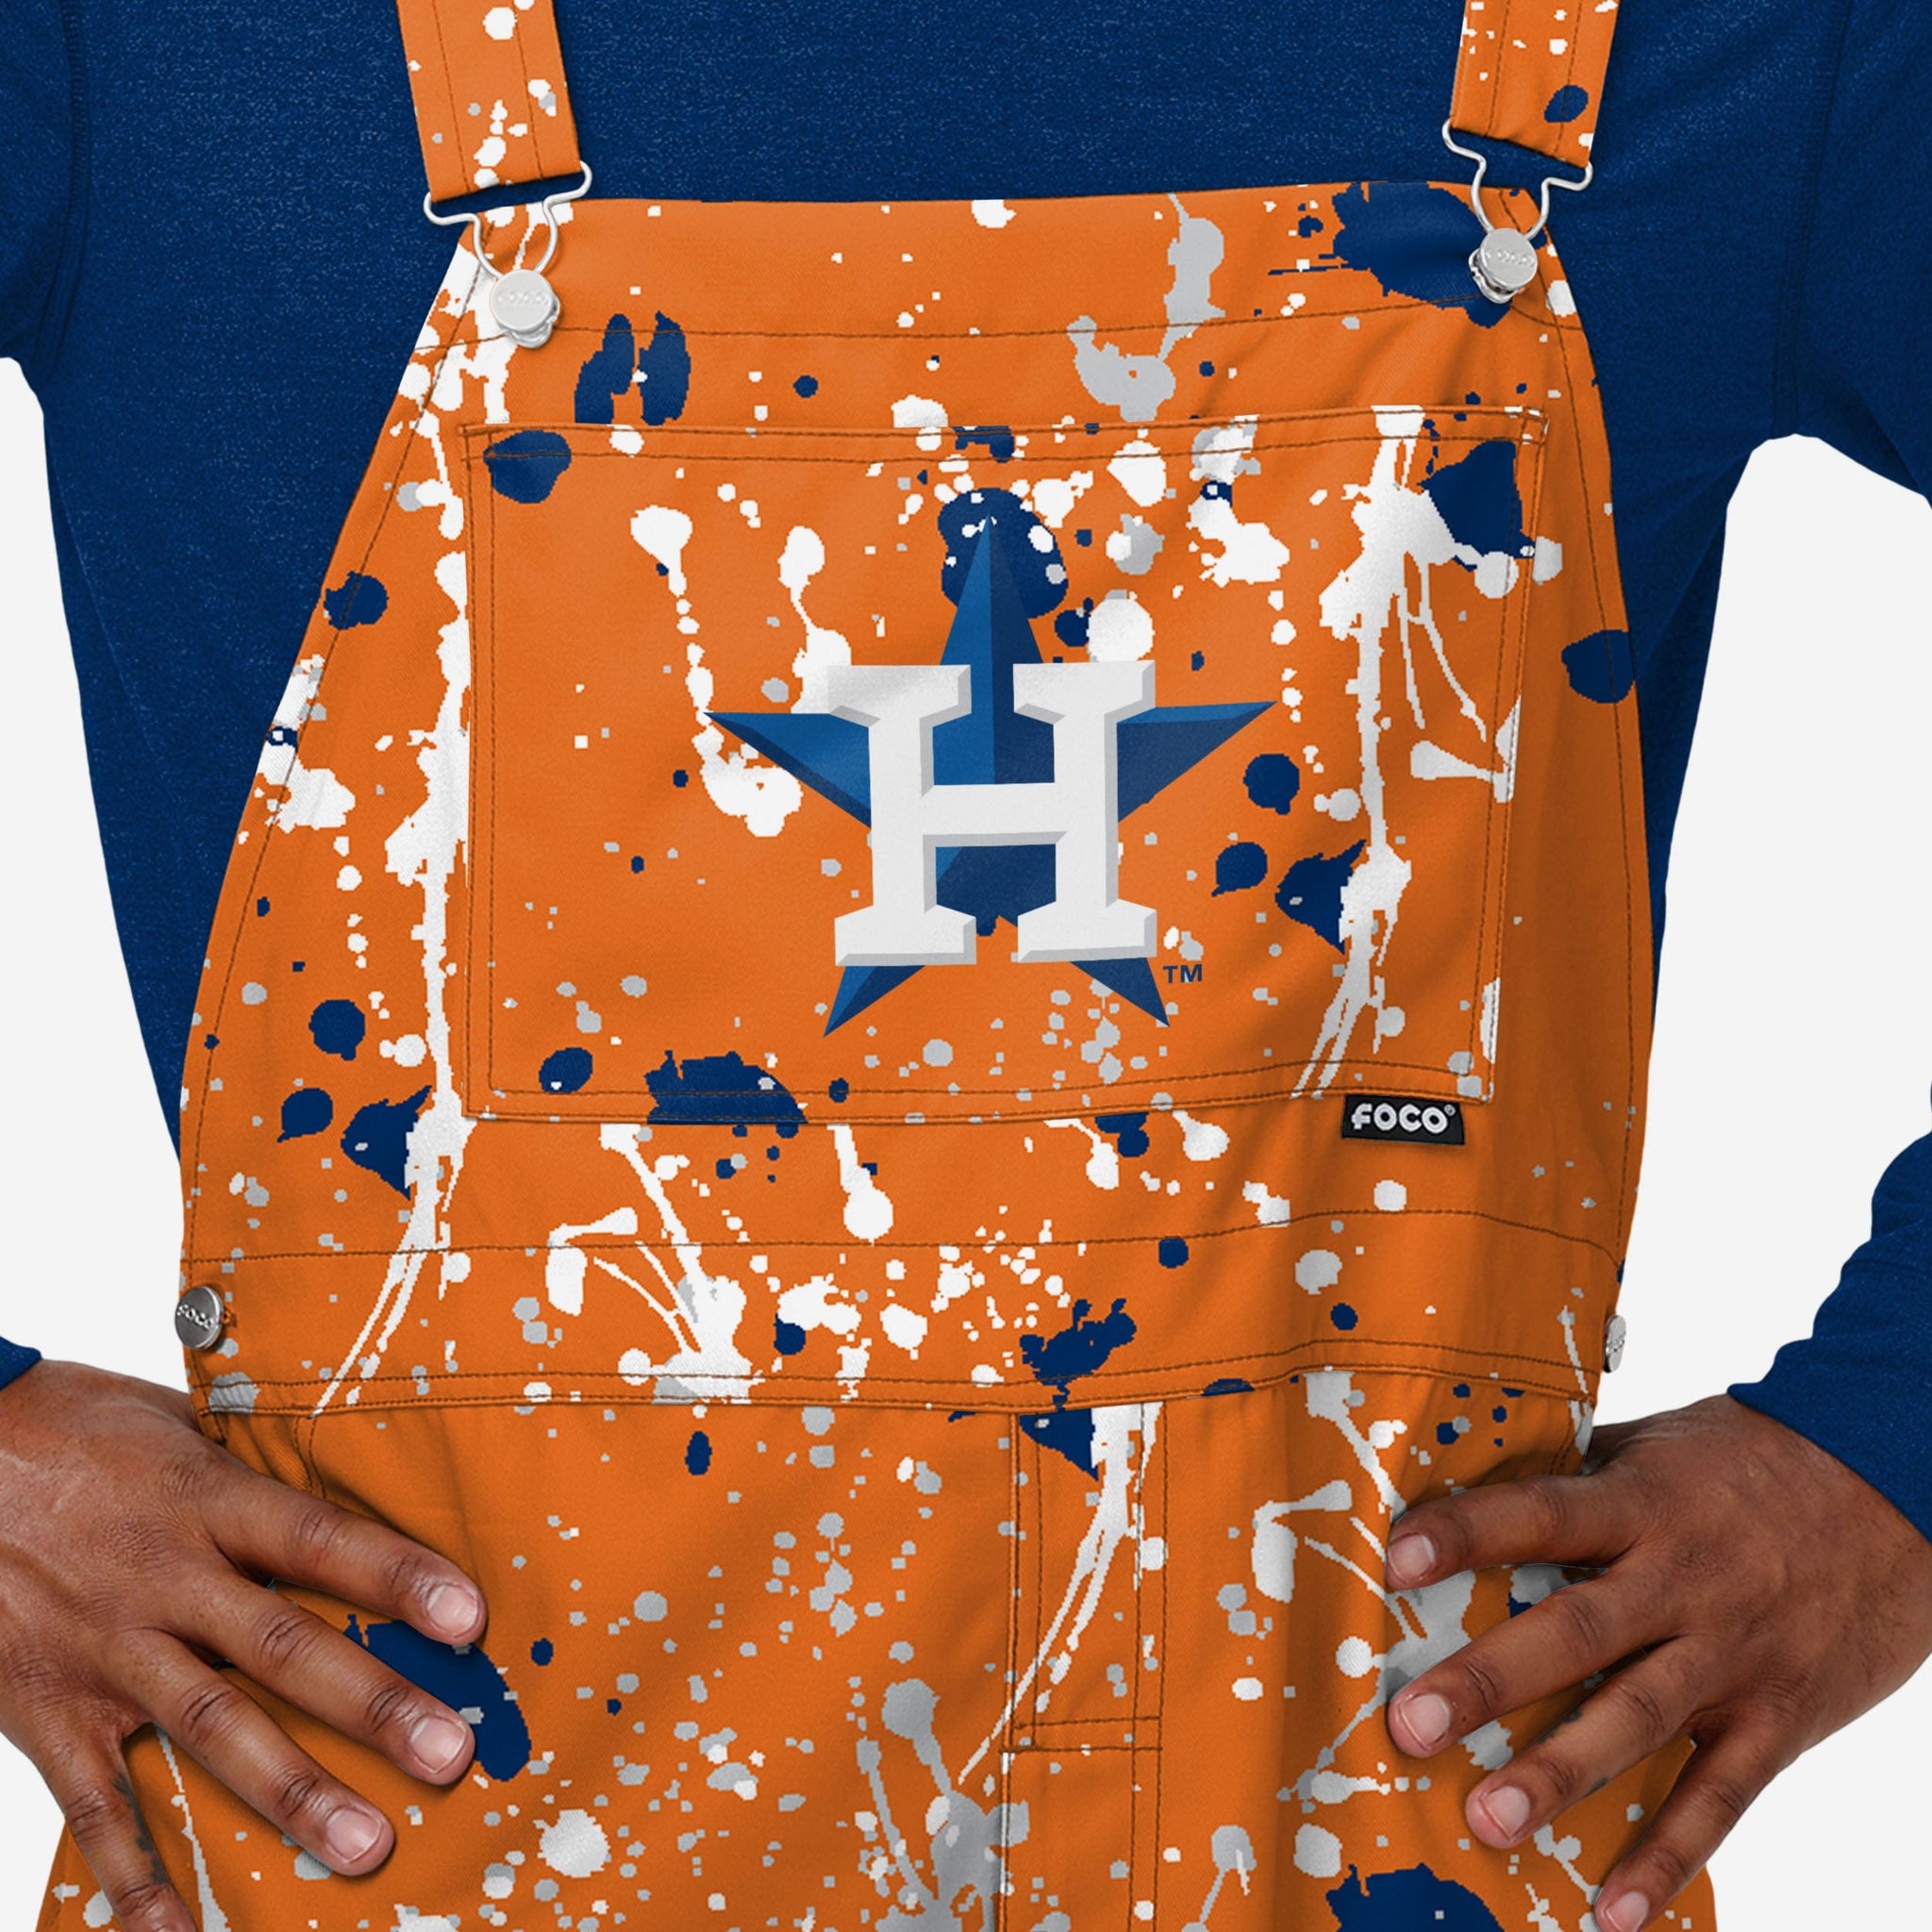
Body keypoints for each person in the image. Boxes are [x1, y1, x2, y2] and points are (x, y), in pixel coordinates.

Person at [4, 4, 1932, 1930]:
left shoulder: (1737, 42)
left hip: (1373, 1837)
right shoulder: (140, 44)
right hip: (399, 1856)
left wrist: (1889, 1450)